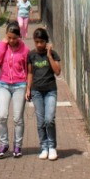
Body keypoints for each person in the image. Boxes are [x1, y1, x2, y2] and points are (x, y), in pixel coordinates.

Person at [0, 21, 30, 158]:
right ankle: (4, 144)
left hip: (20, 85)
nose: (12, 41)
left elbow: (28, 70)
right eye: (9, 37)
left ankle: (18, 145)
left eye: (14, 38)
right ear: (6, 35)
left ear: (19, 37)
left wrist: (28, 88)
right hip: (3, 84)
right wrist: (3, 45)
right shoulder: (0, 46)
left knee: (18, 118)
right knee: (2, 116)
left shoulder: (25, 50)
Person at [26, 27, 62, 161]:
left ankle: (52, 147)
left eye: (42, 42)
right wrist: (28, 89)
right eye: (37, 42)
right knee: (40, 122)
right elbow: (30, 73)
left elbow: (57, 72)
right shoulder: (31, 55)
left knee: (49, 119)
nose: (39, 44)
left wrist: (49, 56)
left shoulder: (53, 54)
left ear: (46, 41)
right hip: (36, 92)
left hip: (50, 91)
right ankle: (44, 147)